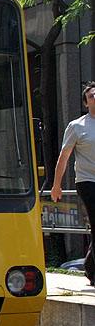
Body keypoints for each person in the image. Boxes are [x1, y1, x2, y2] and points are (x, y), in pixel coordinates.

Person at [52, 81, 95, 284]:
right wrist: (56, 185)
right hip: (87, 182)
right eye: (92, 96)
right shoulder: (77, 126)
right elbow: (64, 156)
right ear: (86, 103)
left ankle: (90, 268)